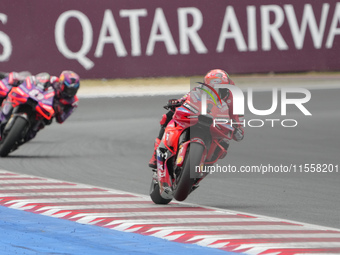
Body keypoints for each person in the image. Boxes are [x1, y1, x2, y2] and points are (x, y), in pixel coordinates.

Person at [148, 69, 244, 169]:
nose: (216, 92)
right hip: (199, 116)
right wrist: (177, 102)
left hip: (217, 123)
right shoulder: (199, 89)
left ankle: (207, 165)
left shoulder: (233, 98)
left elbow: (237, 120)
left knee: (224, 143)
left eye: (221, 89)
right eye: (211, 89)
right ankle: (156, 153)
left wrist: (237, 129)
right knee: (168, 115)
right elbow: (186, 98)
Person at [0, 70, 80, 140]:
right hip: (37, 100)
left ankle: (20, 139)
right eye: (68, 89)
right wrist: (25, 82)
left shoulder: (72, 102)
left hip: (45, 114)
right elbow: (36, 81)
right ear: (61, 84)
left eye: (72, 90)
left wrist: (59, 111)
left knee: (32, 132)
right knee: (13, 96)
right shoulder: (52, 80)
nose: (70, 92)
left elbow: (61, 119)